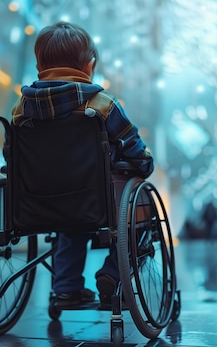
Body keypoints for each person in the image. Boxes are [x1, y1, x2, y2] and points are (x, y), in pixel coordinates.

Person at [10, 21, 154, 308]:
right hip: (95, 200)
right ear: (89, 66)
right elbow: (135, 149)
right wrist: (144, 164)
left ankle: (65, 288)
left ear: (40, 65)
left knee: (70, 223)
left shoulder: (21, 109)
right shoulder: (102, 105)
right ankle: (114, 275)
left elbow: (10, 157)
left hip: (40, 202)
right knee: (138, 216)